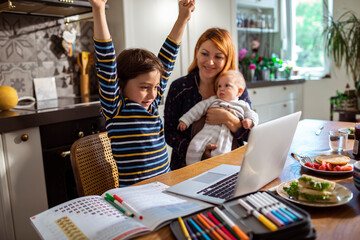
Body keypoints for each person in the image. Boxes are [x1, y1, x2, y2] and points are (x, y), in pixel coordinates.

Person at [89, 0, 195, 186]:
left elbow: (168, 57)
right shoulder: (116, 107)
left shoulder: (151, 104)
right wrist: (98, 9)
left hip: (165, 184)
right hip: (134, 194)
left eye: (155, 87)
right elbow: (106, 61)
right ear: (120, 85)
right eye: (144, 87)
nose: (153, 94)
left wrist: (182, 18)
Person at [164, 27, 253, 170]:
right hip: (185, 168)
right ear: (197, 52)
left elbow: (250, 135)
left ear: (227, 58)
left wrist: (228, 119)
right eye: (205, 54)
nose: (210, 62)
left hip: (230, 166)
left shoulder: (237, 88)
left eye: (218, 57)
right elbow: (169, 133)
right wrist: (199, 152)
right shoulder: (179, 88)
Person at [177, 70, 258, 165]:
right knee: (194, 146)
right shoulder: (214, 100)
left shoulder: (242, 105)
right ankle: (192, 170)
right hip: (206, 132)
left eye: (227, 85)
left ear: (239, 91)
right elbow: (197, 109)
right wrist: (185, 121)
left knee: (221, 154)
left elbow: (253, 114)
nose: (221, 89)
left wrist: (250, 121)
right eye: (219, 86)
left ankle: (218, 175)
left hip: (224, 136)